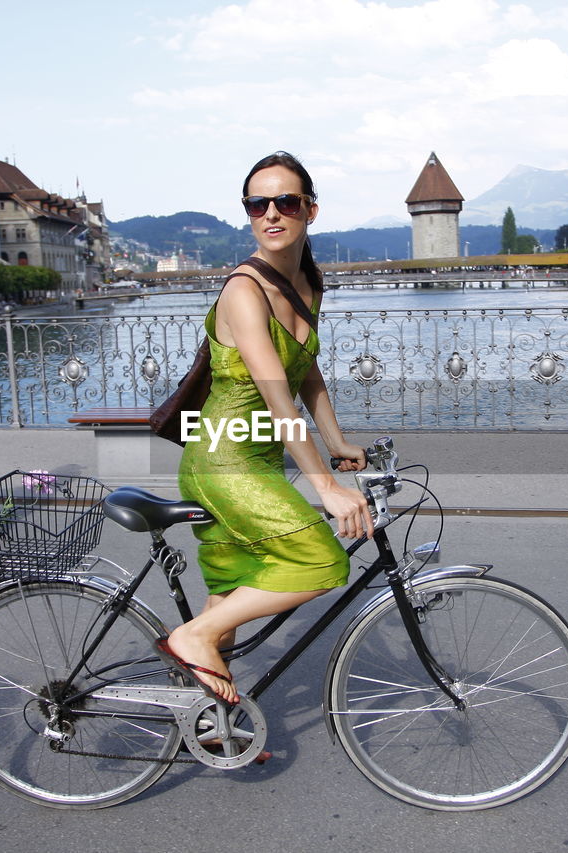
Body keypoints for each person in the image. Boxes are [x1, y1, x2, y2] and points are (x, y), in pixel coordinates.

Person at [161, 152, 374, 705]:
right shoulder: (244, 291)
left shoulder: (306, 282)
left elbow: (307, 372)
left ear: (311, 210)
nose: (271, 213)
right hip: (222, 462)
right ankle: (191, 638)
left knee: (229, 595)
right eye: (258, 204)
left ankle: (208, 719)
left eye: (286, 202)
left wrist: (336, 443)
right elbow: (279, 398)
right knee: (322, 561)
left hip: (255, 463)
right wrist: (324, 484)